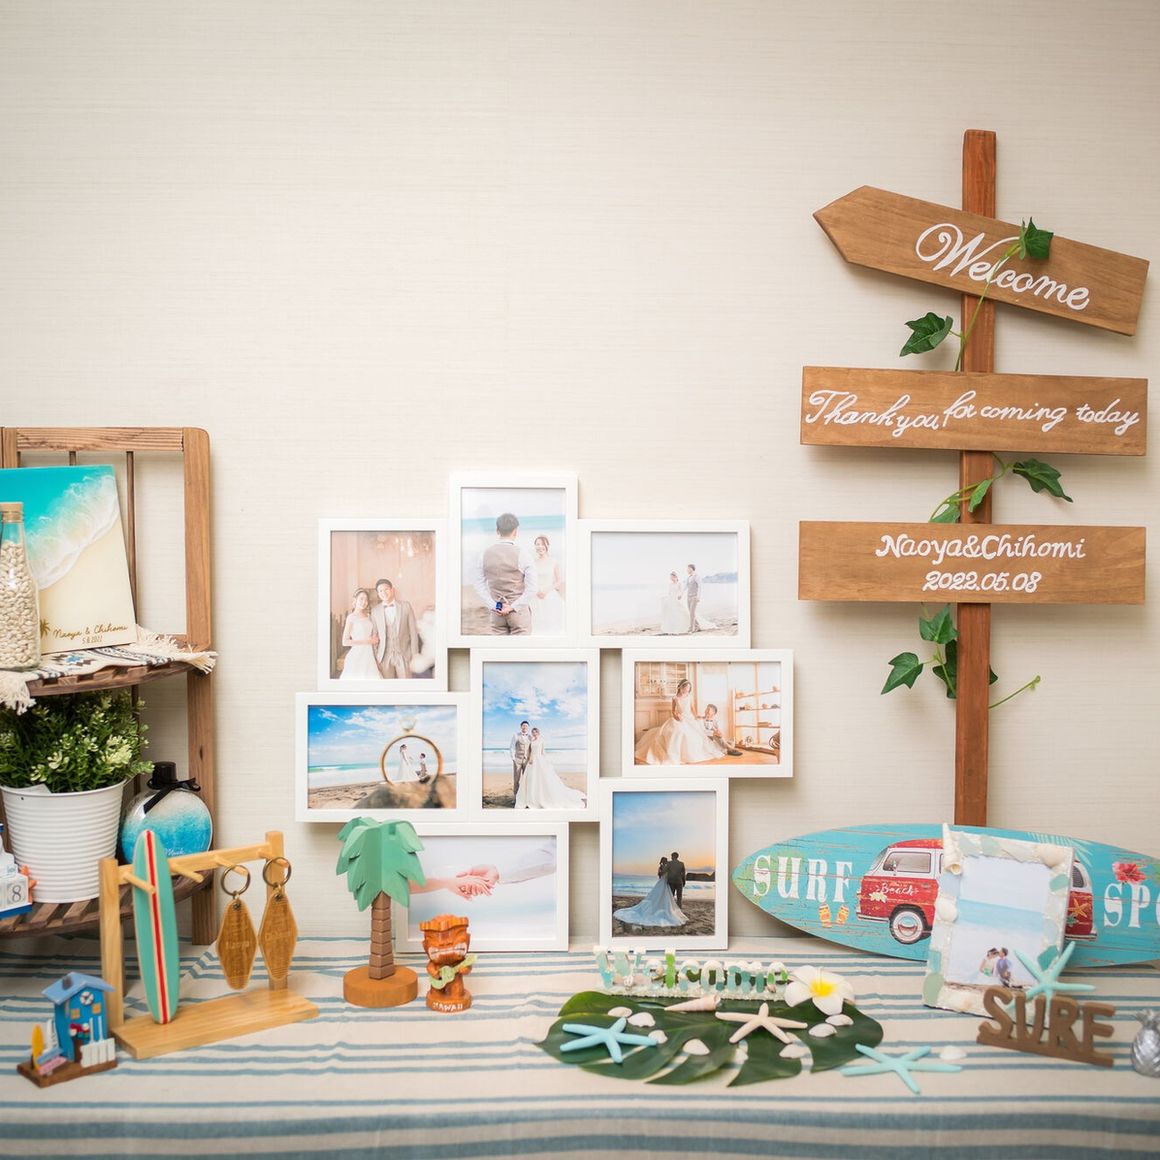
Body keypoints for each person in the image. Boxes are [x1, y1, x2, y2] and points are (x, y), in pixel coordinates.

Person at [471, 513, 537, 635]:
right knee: (521, 647)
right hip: (519, 614)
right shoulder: (524, 554)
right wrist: (513, 606)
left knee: (499, 647)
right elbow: (532, 588)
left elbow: (478, 586)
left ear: (497, 530)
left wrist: (494, 605)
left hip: (497, 614)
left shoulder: (484, 554)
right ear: (515, 531)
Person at [634, 679, 722, 765]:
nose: (687, 690)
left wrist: (697, 716)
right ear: (681, 687)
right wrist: (676, 716)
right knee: (675, 732)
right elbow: (673, 711)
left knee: (695, 736)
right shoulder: (675, 698)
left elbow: (693, 710)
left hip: (690, 719)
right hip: (680, 719)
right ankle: (675, 755)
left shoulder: (689, 697)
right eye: (686, 688)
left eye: (689, 688)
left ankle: (688, 755)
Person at [514, 727, 586, 810]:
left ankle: (541, 797)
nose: (534, 733)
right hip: (532, 761)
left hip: (539, 760)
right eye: (533, 732)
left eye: (535, 732)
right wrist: (530, 758)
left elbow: (543, 752)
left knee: (542, 778)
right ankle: (531, 797)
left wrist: (546, 761)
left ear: (538, 733)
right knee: (532, 778)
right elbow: (529, 751)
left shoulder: (541, 740)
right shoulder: (531, 741)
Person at [613, 853, 688, 928]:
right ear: (677, 856)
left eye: (671, 856)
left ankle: (672, 911)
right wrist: (684, 881)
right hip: (678, 882)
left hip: (671, 882)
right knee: (678, 897)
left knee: (670, 897)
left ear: (673, 856)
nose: (670, 857)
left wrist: (662, 871)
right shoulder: (681, 863)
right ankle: (678, 911)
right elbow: (683, 874)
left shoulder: (669, 863)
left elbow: (664, 872)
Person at [371, 578, 420, 679]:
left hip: (404, 655)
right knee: (387, 686)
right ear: (378, 594)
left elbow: (413, 633)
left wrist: (414, 655)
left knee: (406, 685)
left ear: (392, 589)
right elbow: (374, 636)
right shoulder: (375, 611)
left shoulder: (406, 606)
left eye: (386, 589)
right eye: (380, 591)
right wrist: (376, 657)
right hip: (384, 656)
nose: (384, 593)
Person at [339, 588, 382, 680]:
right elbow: (345, 642)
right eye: (361, 599)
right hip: (357, 654)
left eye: (366, 600)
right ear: (355, 600)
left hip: (369, 654)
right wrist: (369, 641)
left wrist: (375, 639)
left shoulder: (368, 616)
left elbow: (372, 633)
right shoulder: (351, 617)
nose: (364, 602)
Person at [530, 535, 565, 634]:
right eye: (537, 544)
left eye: (542, 544)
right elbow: (530, 580)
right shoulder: (533, 562)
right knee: (536, 625)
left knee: (552, 625)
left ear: (547, 546)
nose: (540, 547)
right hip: (535, 595)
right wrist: (537, 591)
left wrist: (546, 590)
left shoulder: (553, 561)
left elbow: (558, 581)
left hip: (549, 595)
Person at [510, 720, 533, 797]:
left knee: (527, 779)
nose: (525, 727)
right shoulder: (516, 735)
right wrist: (513, 758)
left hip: (527, 760)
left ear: (528, 727)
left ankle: (526, 796)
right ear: (521, 727)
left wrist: (531, 758)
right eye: (523, 726)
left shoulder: (530, 737)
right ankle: (516, 796)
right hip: (517, 760)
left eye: (526, 726)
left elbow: (532, 748)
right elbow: (512, 747)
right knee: (516, 779)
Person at [685, 564, 701, 633]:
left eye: (688, 568)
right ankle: (697, 626)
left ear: (691, 568)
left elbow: (700, 587)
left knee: (692, 613)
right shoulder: (688, 578)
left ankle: (691, 628)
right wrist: (681, 594)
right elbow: (685, 587)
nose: (687, 570)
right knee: (691, 613)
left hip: (694, 597)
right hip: (688, 597)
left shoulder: (696, 576)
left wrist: (698, 596)